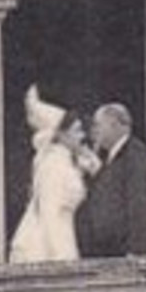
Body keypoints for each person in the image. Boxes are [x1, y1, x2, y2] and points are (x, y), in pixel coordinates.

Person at [9, 85, 98, 263]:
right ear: (61, 136)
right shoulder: (54, 164)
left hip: (64, 233)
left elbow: (91, 167)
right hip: (47, 245)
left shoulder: (65, 161)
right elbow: (50, 213)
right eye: (77, 131)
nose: (82, 136)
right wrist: (60, 257)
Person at [75, 102, 146, 258]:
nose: (94, 132)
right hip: (114, 253)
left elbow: (143, 207)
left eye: (98, 125)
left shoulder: (135, 156)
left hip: (133, 255)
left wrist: (136, 251)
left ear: (114, 125)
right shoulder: (111, 156)